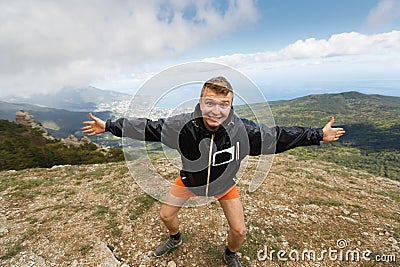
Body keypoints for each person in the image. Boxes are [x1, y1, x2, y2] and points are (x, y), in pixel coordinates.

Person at [82, 76, 345, 267]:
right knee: (165, 215)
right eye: (210, 103)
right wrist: (108, 126)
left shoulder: (243, 132)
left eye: (223, 104)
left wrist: (318, 135)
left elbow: (277, 136)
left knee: (239, 231)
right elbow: (147, 127)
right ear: (200, 102)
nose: (216, 110)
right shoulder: (181, 126)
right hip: (189, 180)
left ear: (230, 106)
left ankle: (230, 254)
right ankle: (175, 238)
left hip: (223, 185)